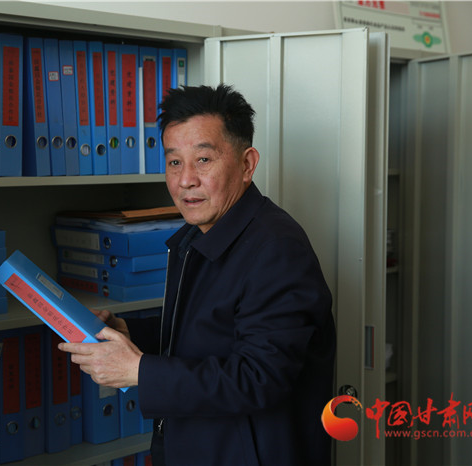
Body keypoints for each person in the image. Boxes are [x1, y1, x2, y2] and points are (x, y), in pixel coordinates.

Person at [59, 84, 336, 465]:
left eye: (203, 160)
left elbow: (259, 377)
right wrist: (129, 333)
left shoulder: (277, 249)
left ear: (247, 164)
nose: (185, 179)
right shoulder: (199, 232)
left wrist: (139, 370)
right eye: (174, 162)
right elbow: (211, 328)